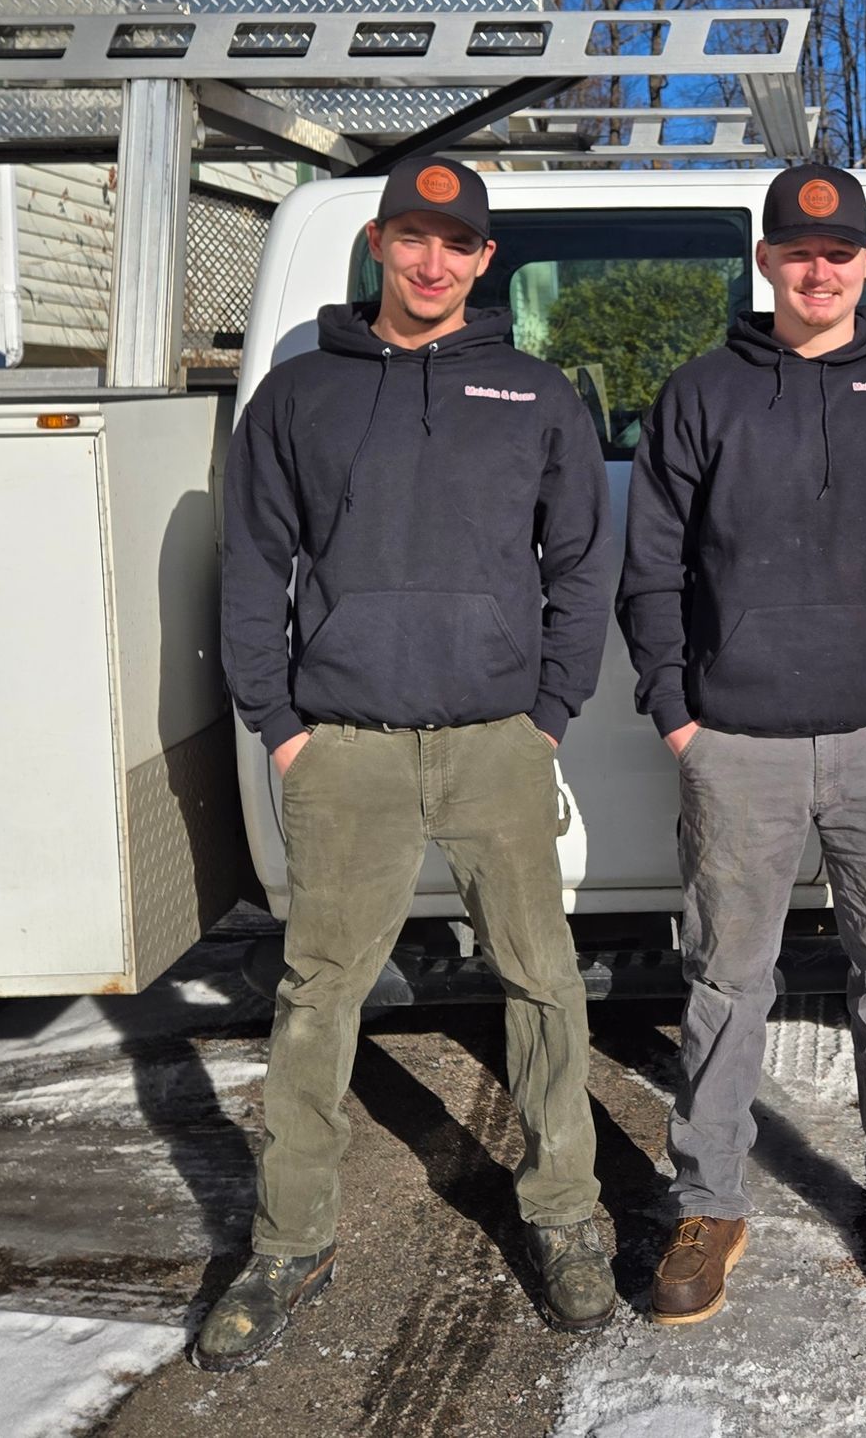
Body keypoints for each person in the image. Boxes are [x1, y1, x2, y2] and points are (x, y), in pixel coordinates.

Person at [197, 156, 616, 1370]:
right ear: (378, 243)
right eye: (413, 237)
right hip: (347, 750)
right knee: (317, 997)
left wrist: (548, 710)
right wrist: (281, 722)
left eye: (457, 243)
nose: (434, 262)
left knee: (542, 982)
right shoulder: (301, 393)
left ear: (486, 260)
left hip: (496, 744)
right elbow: (251, 564)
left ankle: (564, 1216)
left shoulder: (535, 395)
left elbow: (582, 563)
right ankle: (291, 1242)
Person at [616, 163, 866, 1325]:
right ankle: (710, 1202)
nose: (818, 270)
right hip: (737, 741)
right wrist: (679, 710)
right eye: (797, 251)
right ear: (767, 262)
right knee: (726, 977)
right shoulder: (701, 395)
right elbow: (652, 568)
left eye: (839, 252)